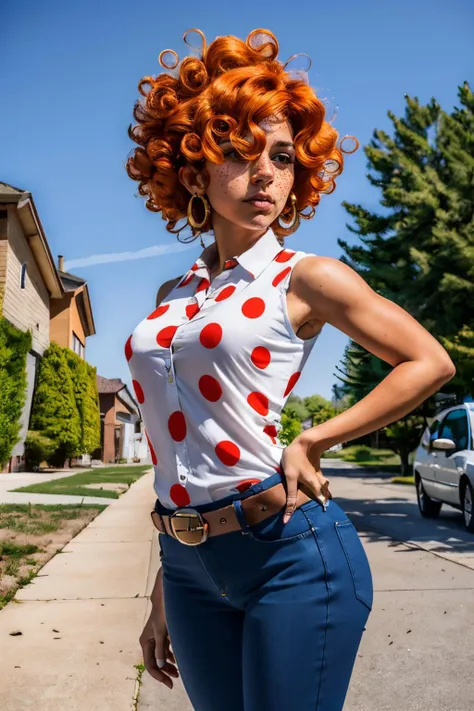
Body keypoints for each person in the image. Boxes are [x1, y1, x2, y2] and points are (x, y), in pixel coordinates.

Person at [124, 28, 456, 711]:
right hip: (188, 565)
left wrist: (314, 440)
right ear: (192, 173)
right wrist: (167, 577)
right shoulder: (172, 296)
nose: (267, 174)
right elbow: (178, 451)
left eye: (281, 156)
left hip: (290, 553)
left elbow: (429, 361)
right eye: (242, 156)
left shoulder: (303, 278)